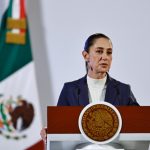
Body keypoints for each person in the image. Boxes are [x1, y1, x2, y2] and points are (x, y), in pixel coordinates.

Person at [40, 33, 139, 142]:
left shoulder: (123, 90)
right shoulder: (70, 89)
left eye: (109, 52)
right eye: (99, 51)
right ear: (85, 55)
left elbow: (140, 125)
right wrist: (50, 131)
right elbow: (60, 126)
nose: (105, 57)